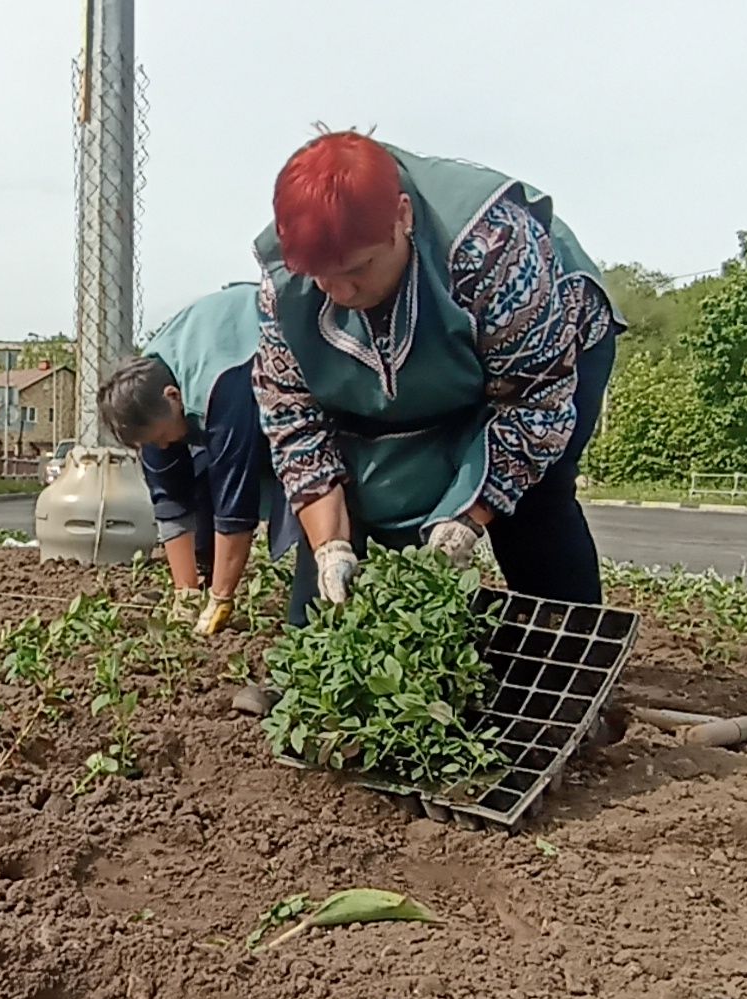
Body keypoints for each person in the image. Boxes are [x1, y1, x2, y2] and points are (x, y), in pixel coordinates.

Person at [250, 132, 623, 623]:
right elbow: (296, 422)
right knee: (357, 500)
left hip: (534, 361)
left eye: (357, 269)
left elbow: (536, 408)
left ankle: (568, 655)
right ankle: (326, 649)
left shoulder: (492, 249)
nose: (339, 292)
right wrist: (331, 547)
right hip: (406, 372)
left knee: (535, 502)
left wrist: (466, 519)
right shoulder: (283, 287)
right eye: (322, 277)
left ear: (402, 217)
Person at [97, 282, 295, 634]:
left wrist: (222, 597)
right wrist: (185, 593)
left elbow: (235, 496)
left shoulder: (221, 385)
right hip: (211, 387)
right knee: (191, 481)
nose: (162, 443)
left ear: (174, 396)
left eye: (160, 436)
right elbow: (168, 500)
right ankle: (196, 585)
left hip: (267, 361)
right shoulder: (147, 401)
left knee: (231, 479)